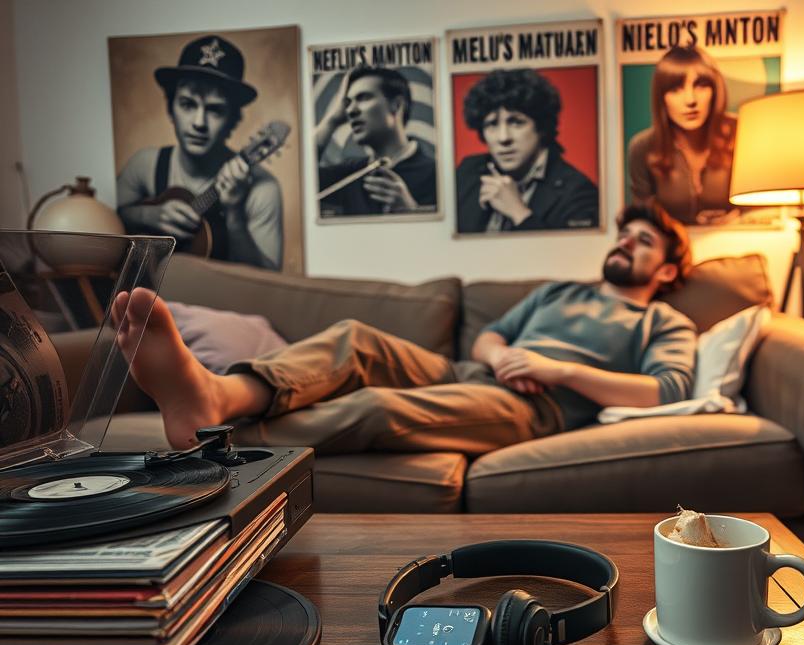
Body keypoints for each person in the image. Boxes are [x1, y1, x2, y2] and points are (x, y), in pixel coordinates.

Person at [115, 201, 696, 455]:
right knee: (353, 339)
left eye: (643, 241)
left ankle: (218, 443)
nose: (625, 243)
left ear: (668, 268)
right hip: (474, 372)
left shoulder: (663, 320)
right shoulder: (560, 292)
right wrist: (498, 356)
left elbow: (667, 391)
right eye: (624, 234)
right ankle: (216, 396)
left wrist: (556, 369)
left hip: (538, 405)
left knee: (380, 407)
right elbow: (488, 337)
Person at [116, 35, 283, 270]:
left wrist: (235, 215)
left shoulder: (263, 188)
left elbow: (269, 284)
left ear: (232, 120)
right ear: (171, 109)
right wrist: (147, 216)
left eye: (215, 110)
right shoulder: (145, 164)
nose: (199, 122)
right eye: (187, 104)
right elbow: (108, 226)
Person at [456, 68, 599, 233]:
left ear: (542, 127)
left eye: (516, 122)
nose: (503, 138)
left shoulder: (579, 193)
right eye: (492, 124)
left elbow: (568, 256)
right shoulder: (467, 172)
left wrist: (520, 214)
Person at [627, 45, 738, 226]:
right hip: (674, 250)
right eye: (676, 89)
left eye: (700, 86)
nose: (690, 100)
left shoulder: (742, 135)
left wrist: (737, 219)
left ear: (715, 90)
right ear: (661, 97)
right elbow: (644, 222)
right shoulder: (642, 147)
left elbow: (766, 212)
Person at [315, 66, 437, 216]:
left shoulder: (435, 174)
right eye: (347, 103)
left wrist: (413, 211)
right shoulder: (349, 173)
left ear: (396, 105)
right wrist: (331, 120)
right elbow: (295, 176)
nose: (350, 111)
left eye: (363, 97)